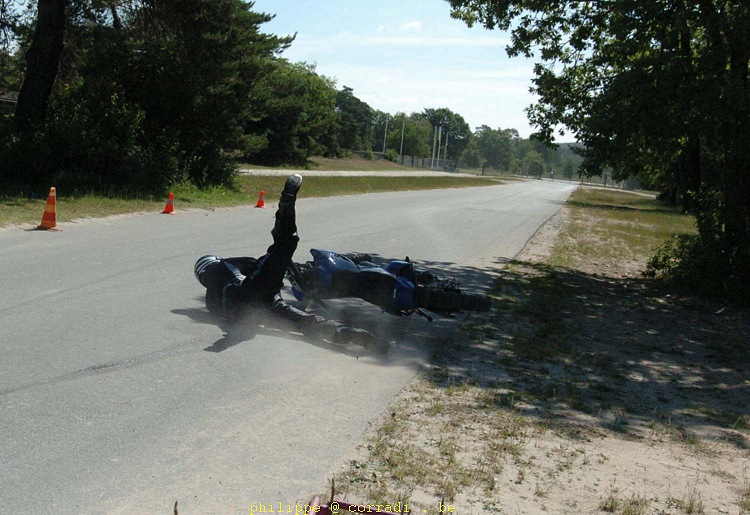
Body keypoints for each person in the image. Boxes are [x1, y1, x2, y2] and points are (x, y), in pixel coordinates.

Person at [194, 174, 377, 347]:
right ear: (212, 262)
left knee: (304, 322)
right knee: (284, 244)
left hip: (252, 309)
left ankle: (351, 335)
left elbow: (224, 314)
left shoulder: (211, 298)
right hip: (254, 292)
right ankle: (286, 202)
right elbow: (259, 262)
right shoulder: (223, 265)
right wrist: (280, 263)